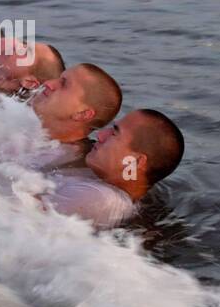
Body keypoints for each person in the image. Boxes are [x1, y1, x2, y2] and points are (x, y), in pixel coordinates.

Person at [46, 109, 185, 228]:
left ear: (135, 161)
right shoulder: (107, 190)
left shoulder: (98, 198)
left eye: (114, 133)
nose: (100, 135)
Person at [30, 63, 123, 148]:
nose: (48, 83)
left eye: (63, 84)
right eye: (58, 78)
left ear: (82, 114)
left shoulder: (70, 162)